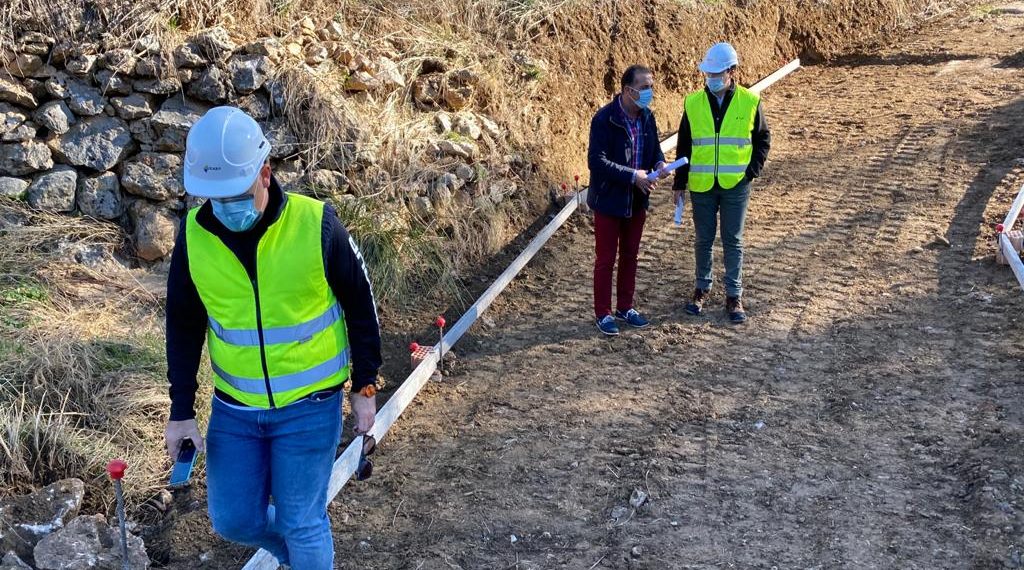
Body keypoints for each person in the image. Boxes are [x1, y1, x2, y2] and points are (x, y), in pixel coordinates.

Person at [163, 107, 382, 569]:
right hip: (235, 410)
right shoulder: (194, 238)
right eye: (215, 198)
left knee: (302, 520)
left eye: (236, 195)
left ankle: (306, 555)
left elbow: (361, 305)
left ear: (265, 173)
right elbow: (183, 324)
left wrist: (365, 387)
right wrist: (181, 411)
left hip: (310, 407)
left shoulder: (316, 224)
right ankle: (301, 558)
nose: (226, 209)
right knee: (233, 520)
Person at [672, 42, 771, 324]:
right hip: (701, 183)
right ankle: (701, 288)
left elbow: (763, 139)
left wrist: (751, 172)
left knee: (733, 240)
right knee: (703, 239)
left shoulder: (750, 101)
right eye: (708, 73)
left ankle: (734, 295)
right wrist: (679, 182)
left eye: (717, 73)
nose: (711, 78)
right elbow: (684, 145)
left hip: (735, 184)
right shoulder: (693, 103)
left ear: (732, 72)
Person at [587, 64, 667, 336]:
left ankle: (625, 307)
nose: (649, 92)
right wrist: (633, 176)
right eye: (644, 87)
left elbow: (655, 150)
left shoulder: (647, 117)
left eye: (651, 86)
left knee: (630, 255)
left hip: (637, 200)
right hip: (608, 200)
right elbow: (596, 162)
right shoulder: (604, 119)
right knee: (606, 259)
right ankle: (603, 312)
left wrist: (660, 164)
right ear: (627, 90)